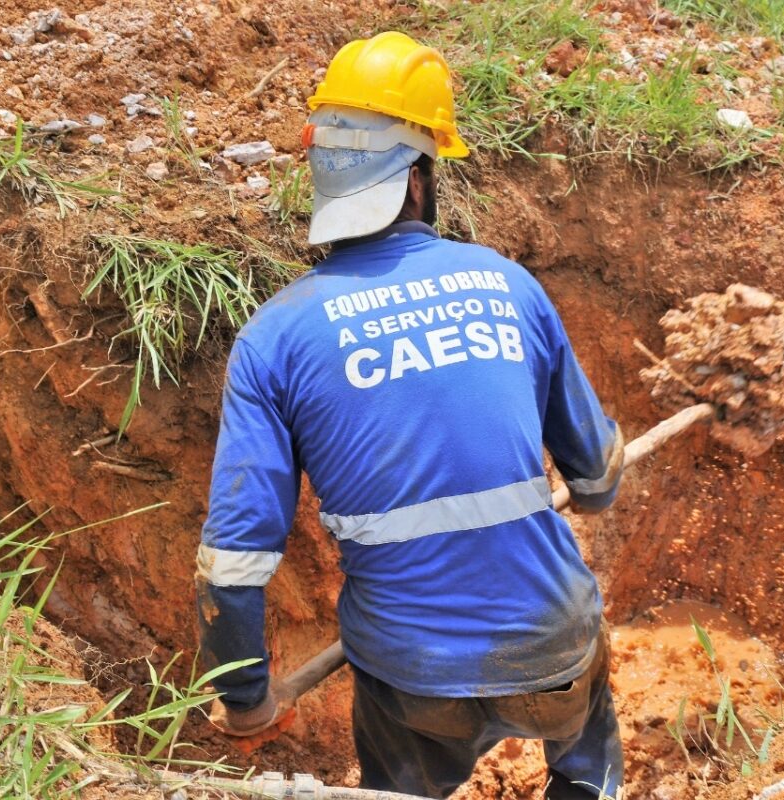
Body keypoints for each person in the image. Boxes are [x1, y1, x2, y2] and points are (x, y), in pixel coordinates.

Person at [195, 31, 625, 800]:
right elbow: (595, 479)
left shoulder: (275, 338)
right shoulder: (507, 284)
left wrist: (245, 695)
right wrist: (587, 485)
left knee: (403, 784)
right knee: (586, 759)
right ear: (418, 181)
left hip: (410, 675)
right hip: (551, 648)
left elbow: (235, 560)